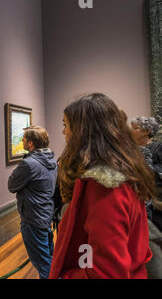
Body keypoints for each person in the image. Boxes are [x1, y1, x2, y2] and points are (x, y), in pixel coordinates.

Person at [49, 93, 155, 279]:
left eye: (66, 125)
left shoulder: (105, 188)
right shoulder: (123, 173)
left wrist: (65, 276)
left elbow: (107, 273)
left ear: (83, 132)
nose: (63, 132)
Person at [8, 126, 57, 279]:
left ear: (30, 144)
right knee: (50, 258)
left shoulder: (29, 164)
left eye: (23, 138)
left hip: (33, 219)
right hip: (45, 215)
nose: (21, 140)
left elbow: (11, 185)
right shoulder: (51, 159)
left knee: (43, 264)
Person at [130, 116, 162, 278]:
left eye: (135, 128)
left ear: (147, 132)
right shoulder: (130, 150)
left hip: (155, 202)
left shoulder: (158, 148)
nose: (131, 130)